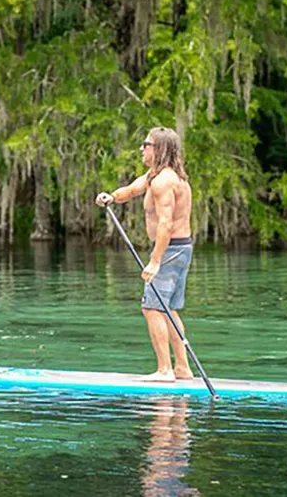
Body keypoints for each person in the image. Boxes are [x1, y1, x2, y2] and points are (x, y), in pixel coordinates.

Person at [95, 127, 194, 382]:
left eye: (146, 144)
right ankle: (182, 368)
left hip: (170, 251)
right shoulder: (155, 176)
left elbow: (165, 224)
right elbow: (131, 189)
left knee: (151, 308)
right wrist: (112, 197)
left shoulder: (164, 182)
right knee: (169, 308)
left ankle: (165, 370)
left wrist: (155, 261)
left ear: (159, 149)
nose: (141, 148)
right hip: (180, 248)